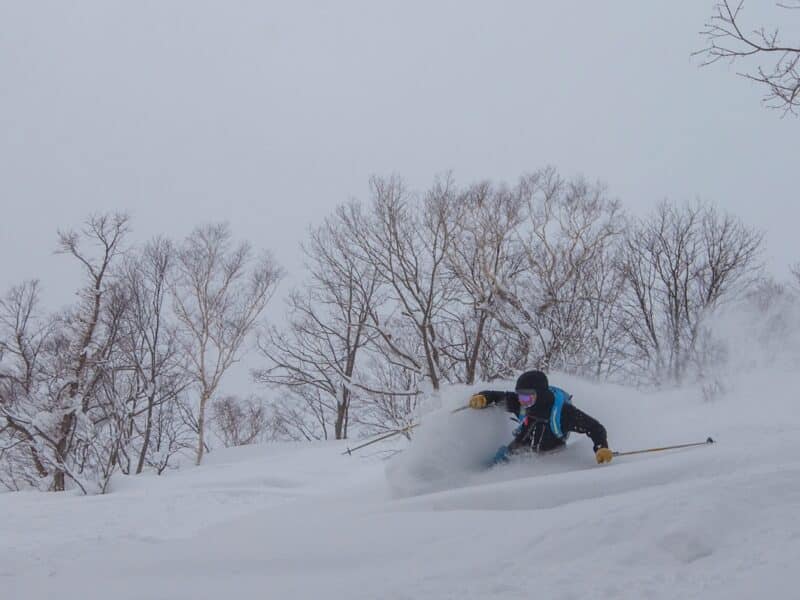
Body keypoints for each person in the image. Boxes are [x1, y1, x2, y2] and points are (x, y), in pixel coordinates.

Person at [469, 369, 613, 465]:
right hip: (517, 450)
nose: (522, 402)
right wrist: (483, 397)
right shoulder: (522, 403)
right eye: (520, 396)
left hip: (549, 458)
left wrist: (601, 447)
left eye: (527, 398)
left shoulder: (564, 413)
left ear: (541, 395)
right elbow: (496, 396)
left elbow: (595, 428)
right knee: (496, 464)